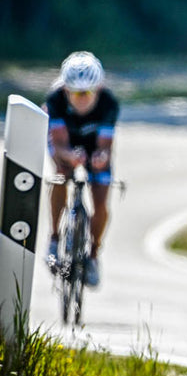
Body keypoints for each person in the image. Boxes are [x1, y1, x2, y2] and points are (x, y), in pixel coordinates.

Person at [43, 51, 119, 288]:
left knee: (101, 201)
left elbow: (105, 146)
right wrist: (69, 156)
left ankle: (94, 256)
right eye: (76, 93)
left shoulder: (109, 103)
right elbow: (58, 144)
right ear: (66, 90)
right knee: (61, 174)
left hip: (93, 145)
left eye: (88, 92)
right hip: (66, 146)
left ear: (98, 88)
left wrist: (100, 157)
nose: (82, 99)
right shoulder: (55, 100)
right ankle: (55, 238)